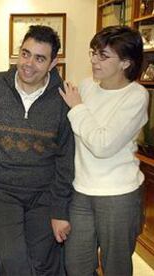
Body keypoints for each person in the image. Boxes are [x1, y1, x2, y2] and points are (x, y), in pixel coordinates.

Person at [0, 25, 74, 275]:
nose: (29, 63)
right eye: (25, 53)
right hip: (1, 193)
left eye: (40, 58)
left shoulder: (64, 98)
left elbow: (66, 159)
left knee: (44, 263)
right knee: (14, 262)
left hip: (44, 195)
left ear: (53, 63)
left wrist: (59, 211)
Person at [60, 26, 148, 276]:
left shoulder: (136, 96)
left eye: (103, 56)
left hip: (119, 195)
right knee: (76, 265)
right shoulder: (86, 87)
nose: (94, 61)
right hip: (81, 191)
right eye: (93, 53)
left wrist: (76, 108)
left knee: (116, 266)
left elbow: (102, 145)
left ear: (125, 63)